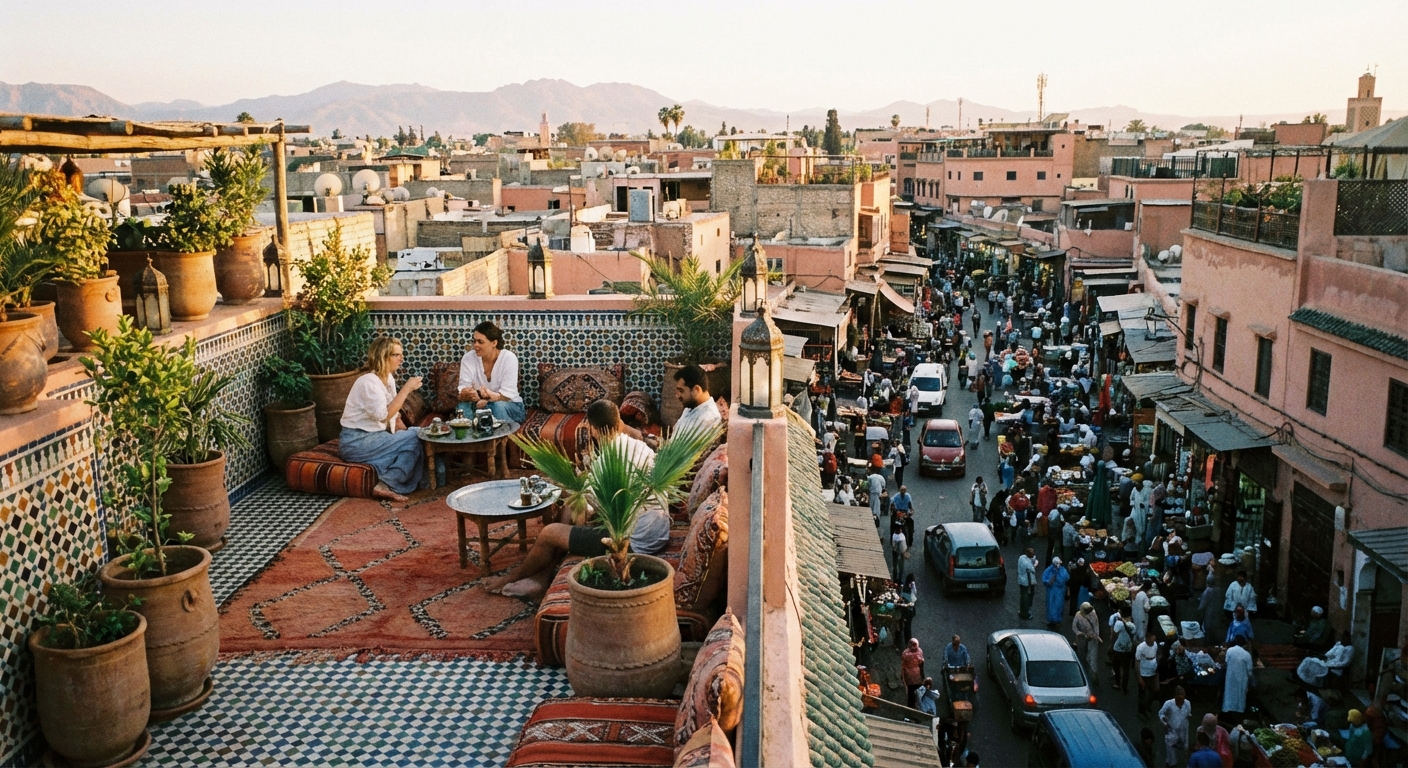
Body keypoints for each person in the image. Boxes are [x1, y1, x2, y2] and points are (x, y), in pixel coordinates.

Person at [481, 400, 662, 599]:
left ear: (592, 429)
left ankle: (508, 579)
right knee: (570, 507)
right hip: (657, 532)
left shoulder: (606, 461)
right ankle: (544, 575)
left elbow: (585, 511)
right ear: (619, 422)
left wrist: (570, 504)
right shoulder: (640, 447)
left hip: (634, 542)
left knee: (550, 533)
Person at [338, 336, 425, 503]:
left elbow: (395, 415)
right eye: (396, 355)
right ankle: (387, 483)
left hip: (376, 437)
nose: (402, 358)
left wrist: (405, 437)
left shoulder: (388, 379)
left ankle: (390, 482)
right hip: (356, 441)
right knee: (416, 436)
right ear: (383, 357)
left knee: (416, 437)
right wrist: (406, 389)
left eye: (401, 354)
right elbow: (384, 415)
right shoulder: (368, 382)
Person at [457, 321, 525, 423]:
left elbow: (507, 395)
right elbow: (463, 390)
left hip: (510, 405)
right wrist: (468, 394)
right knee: (462, 407)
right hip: (478, 404)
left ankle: (503, 436)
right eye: (474, 341)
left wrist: (487, 400)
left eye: (480, 342)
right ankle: (471, 436)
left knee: (496, 406)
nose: (475, 345)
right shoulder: (468, 358)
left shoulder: (509, 358)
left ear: (494, 343)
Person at [664, 364, 722, 439]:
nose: (677, 396)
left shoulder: (708, 418)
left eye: (681, 390)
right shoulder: (691, 408)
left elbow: (686, 449)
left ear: (696, 389)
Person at [1222, 636, 1254, 723]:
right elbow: (1250, 670)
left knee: (1229, 694)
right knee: (1240, 697)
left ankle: (1228, 712)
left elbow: (1226, 662)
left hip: (1230, 678)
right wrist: (1250, 680)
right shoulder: (1247, 655)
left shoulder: (1230, 651)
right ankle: (1239, 714)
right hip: (1242, 679)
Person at [1159, 686, 1192, 768]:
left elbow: (1188, 714)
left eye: (1182, 698)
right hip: (1171, 731)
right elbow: (1161, 713)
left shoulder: (1187, 703)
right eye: (1179, 699)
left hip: (1183, 730)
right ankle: (1170, 764)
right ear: (1175, 697)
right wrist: (1165, 723)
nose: (1181, 701)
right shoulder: (1168, 704)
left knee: (1184, 748)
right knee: (1171, 751)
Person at [1073, 602, 1102, 686]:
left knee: (1092, 657)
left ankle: (1093, 676)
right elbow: (1074, 627)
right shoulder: (1078, 615)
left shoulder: (1093, 614)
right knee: (1082, 656)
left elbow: (1096, 628)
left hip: (1092, 639)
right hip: (1082, 638)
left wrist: (1094, 637)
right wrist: (1080, 634)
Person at [1110, 607, 1136, 693]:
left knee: (1116, 667)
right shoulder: (1132, 625)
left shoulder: (1119, 623)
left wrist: (1111, 646)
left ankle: (1117, 684)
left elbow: (1114, 634)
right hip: (1128, 650)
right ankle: (1124, 687)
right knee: (1126, 670)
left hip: (1118, 649)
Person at [1136, 632, 1161, 717]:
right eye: (1151, 639)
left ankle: (1147, 706)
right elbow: (1137, 661)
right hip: (1144, 673)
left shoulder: (1155, 645)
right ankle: (1141, 711)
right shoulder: (1140, 648)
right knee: (1142, 692)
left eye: (1154, 639)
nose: (1152, 641)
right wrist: (1139, 677)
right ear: (1147, 638)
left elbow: (1156, 655)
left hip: (1153, 672)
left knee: (1154, 691)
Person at [1042, 557, 1070, 630]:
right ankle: (1054, 621)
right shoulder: (1051, 570)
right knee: (1053, 605)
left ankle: (1055, 621)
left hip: (1057, 592)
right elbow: (1046, 581)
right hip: (1054, 592)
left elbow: (1064, 579)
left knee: (1056, 605)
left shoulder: (1060, 570)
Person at [901, 638, 926, 708]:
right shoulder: (919, 651)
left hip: (908, 677)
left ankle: (911, 708)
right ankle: (919, 706)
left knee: (910, 693)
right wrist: (923, 675)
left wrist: (902, 676)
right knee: (919, 692)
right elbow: (921, 664)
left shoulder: (905, 653)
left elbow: (903, 665)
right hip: (917, 677)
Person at [896, 574, 918, 647]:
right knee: (906, 626)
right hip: (907, 610)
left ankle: (907, 642)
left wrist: (906, 604)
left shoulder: (911, 585)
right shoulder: (908, 585)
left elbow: (912, 599)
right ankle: (905, 640)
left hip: (908, 611)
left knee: (907, 627)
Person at [1017, 547, 1038, 620]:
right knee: (1026, 598)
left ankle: (1021, 611)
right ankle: (1026, 613)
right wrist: (1035, 563)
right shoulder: (1028, 564)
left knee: (1022, 597)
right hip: (1027, 582)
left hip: (1021, 580)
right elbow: (1032, 569)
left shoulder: (1021, 558)